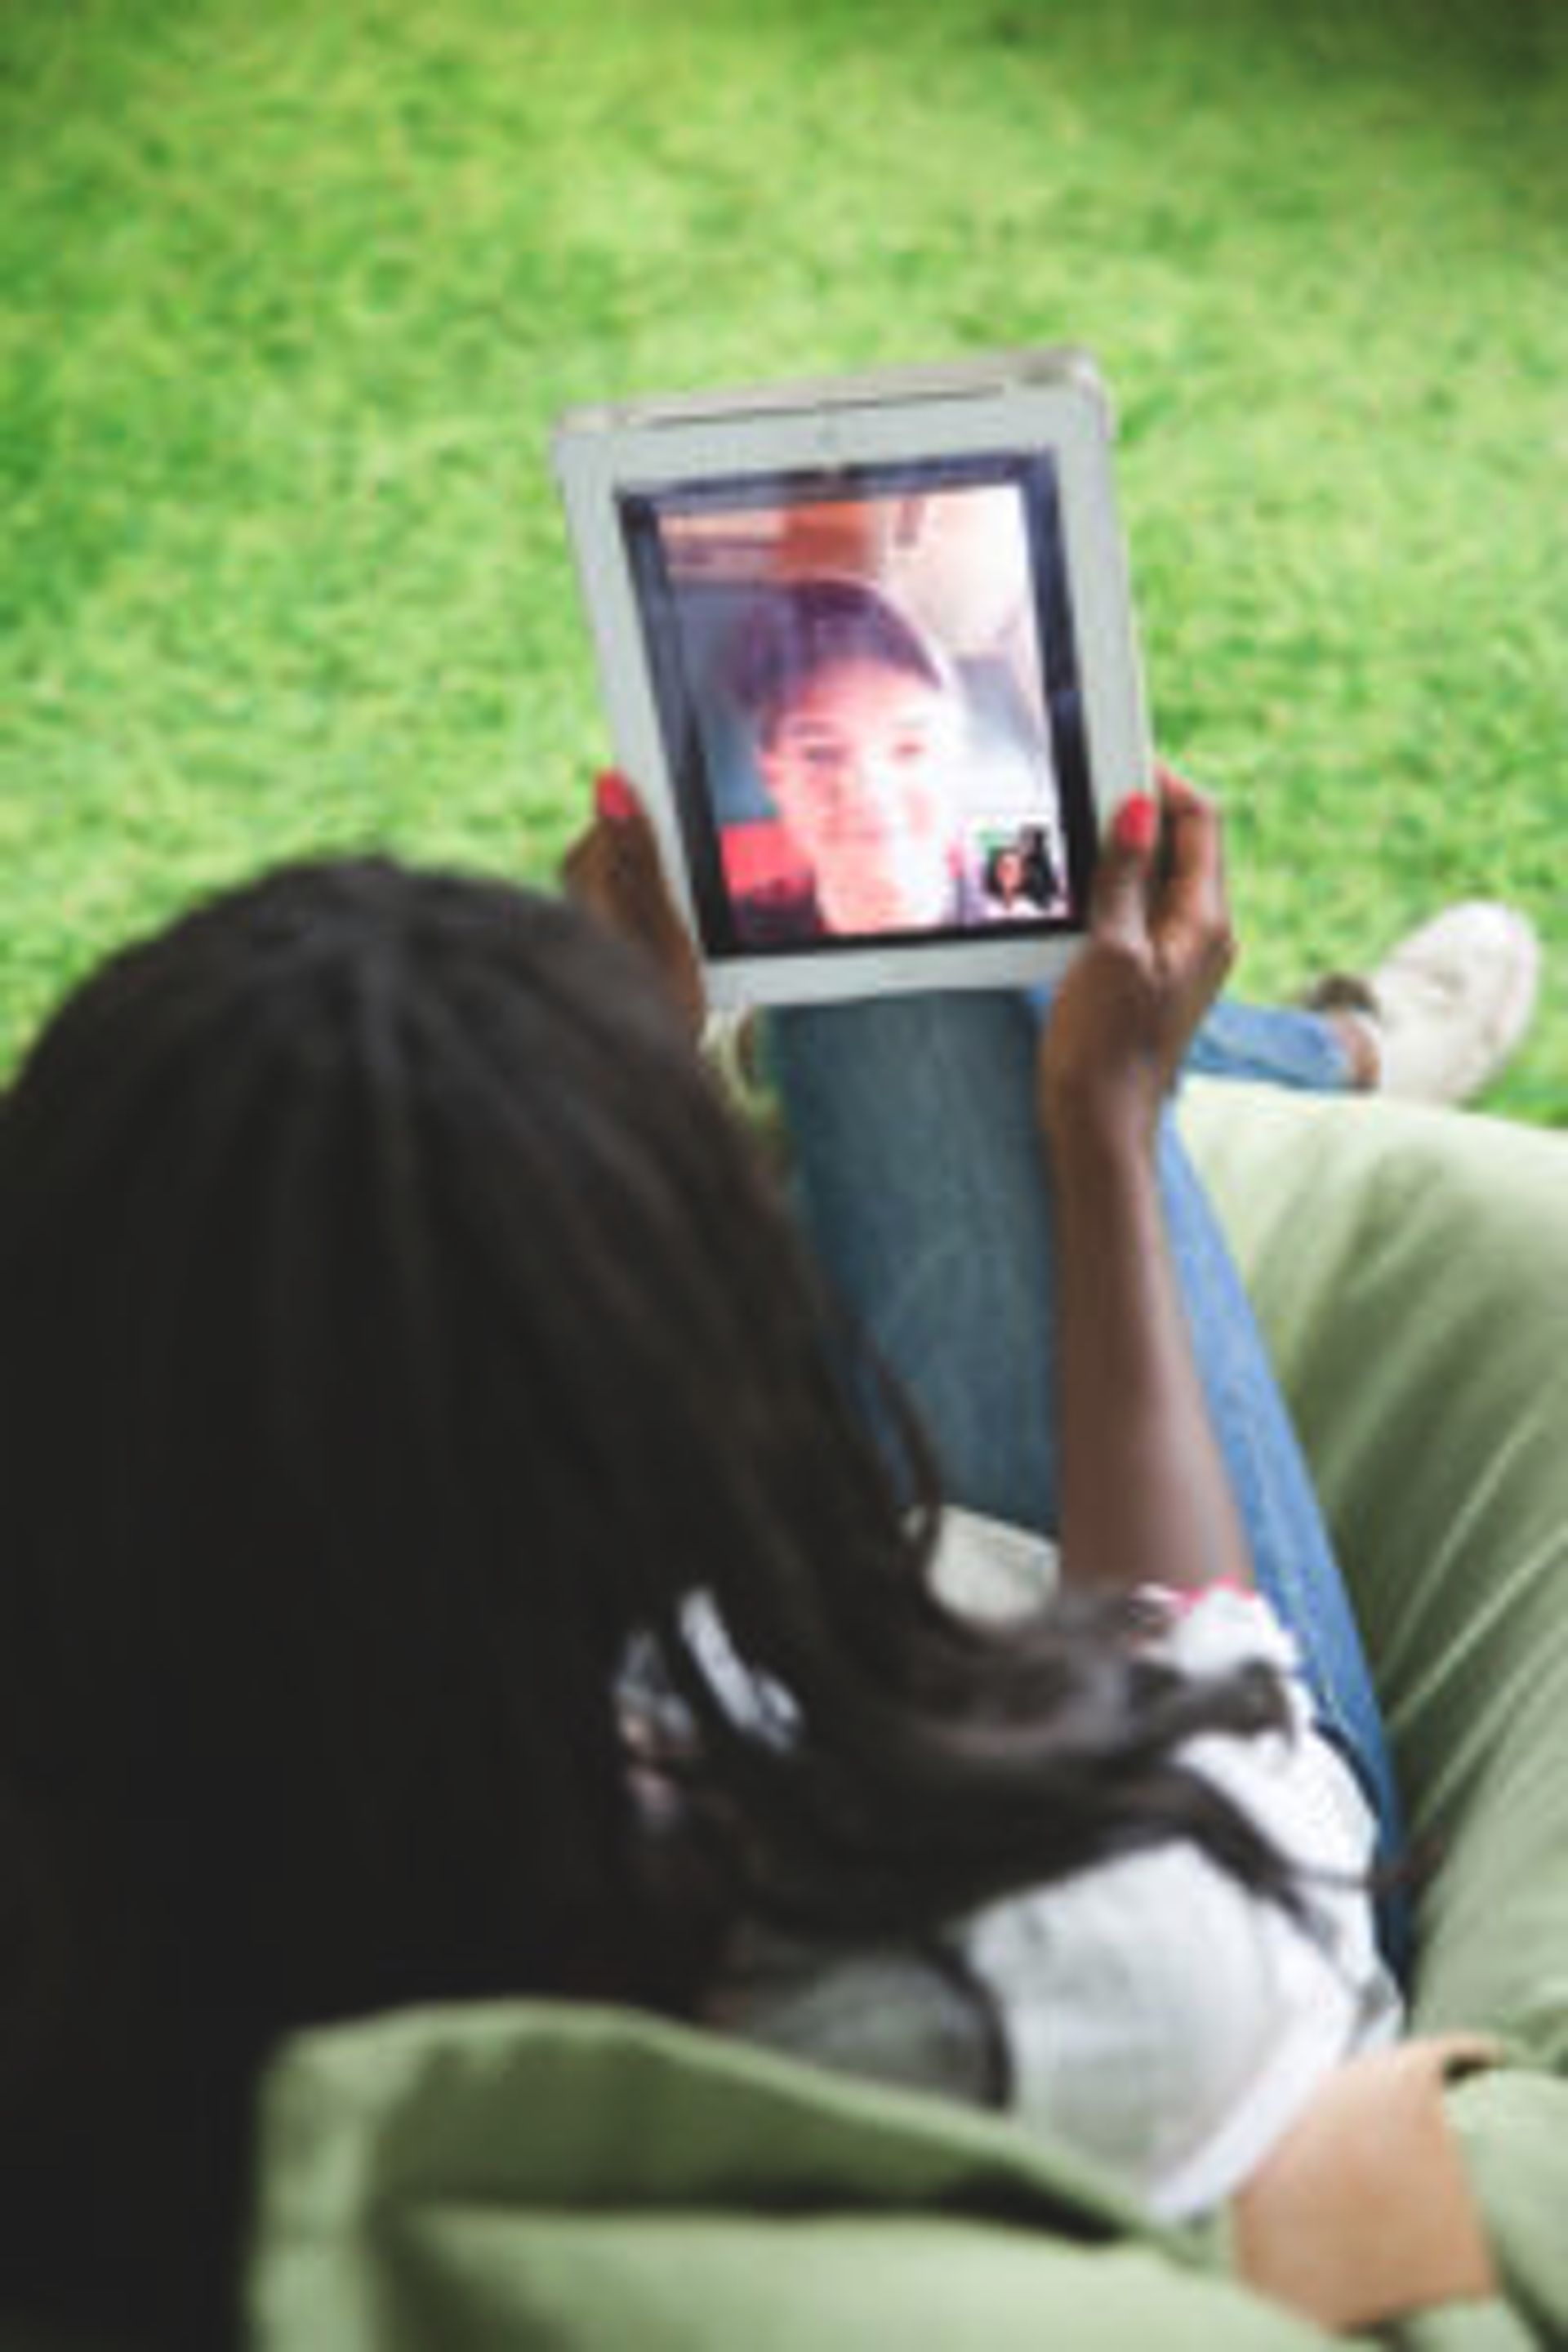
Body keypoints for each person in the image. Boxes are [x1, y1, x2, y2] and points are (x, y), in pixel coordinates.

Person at [0, 774, 1524, 2345]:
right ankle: (1320, 1059)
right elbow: (1216, 1695)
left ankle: (1316, 1052)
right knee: (920, 919)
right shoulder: (1021, 1985)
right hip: (1145, 1807)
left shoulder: (113, 1953)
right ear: (680, 1404)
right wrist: (1106, 1144)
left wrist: (593, 1125)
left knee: (866, 909)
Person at [722, 574, 991, 941]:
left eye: (909, 748)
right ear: (773, 776)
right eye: (821, 754)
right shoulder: (731, 937)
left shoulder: (1044, 941)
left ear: (957, 758)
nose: (870, 791)